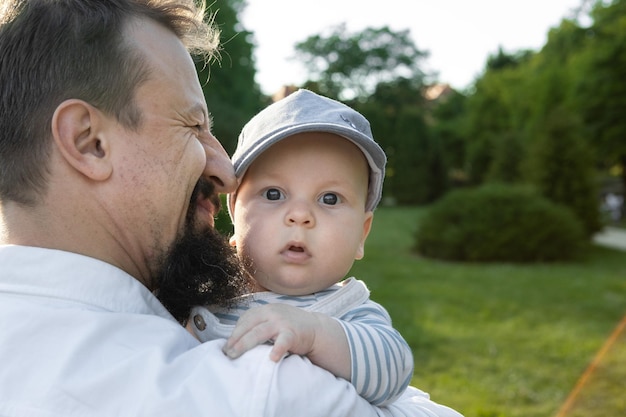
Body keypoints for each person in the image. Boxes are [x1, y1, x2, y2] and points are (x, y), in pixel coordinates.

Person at [0, 1, 463, 416]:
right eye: (194, 125)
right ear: (90, 142)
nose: (225, 171)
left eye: (329, 198)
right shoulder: (263, 392)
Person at [189, 89, 412, 406]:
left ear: (362, 234)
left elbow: (393, 369)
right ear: (235, 211)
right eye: (274, 194)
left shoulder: (347, 311)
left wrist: (314, 333)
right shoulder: (204, 290)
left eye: (330, 199)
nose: (300, 215)